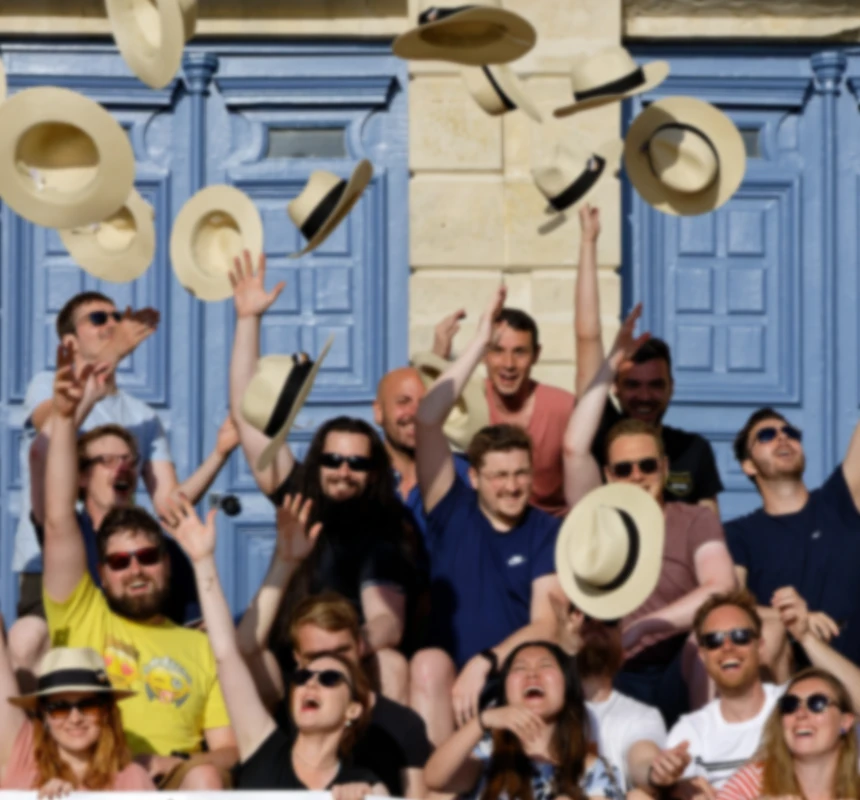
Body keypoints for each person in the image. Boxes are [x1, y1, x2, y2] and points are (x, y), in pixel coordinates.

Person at [40, 349, 238, 789]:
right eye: (119, 561)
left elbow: (230, 747)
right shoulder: (82, 613)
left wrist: (179, 761)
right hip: (93, 774)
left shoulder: (198, 646)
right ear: (101, 570)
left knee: (206, 778)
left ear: (167, 563)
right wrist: (66, 416)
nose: (135, 569)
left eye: (148, 557)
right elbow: (57, 518)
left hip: (172, 778)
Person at [228, 252, 418, 701]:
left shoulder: (386, 528)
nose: (343, 471)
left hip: (351, 662)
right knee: (239, 656)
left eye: (356, 463)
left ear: (375, 472)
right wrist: (247, 321)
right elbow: (249, 417)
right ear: (318, 461)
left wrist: (341, 651)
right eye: (332, 460)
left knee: (392, 663)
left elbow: (387, 618)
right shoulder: (298, 495)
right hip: (285, 660)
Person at [411, 285, 564, 747]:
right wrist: (478, 344)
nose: (512, 486)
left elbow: (546, 623)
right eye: (498, 476)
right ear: (473, 478)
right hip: (444, 690)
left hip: (512, 683)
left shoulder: (546, 529)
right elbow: (426, 418)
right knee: (426, 665)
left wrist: (487, 661)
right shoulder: (450, 508)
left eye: (520, 474)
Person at [563, 323, 736, 725]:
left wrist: (642, 627)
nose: (637, 475)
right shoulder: (597, 516)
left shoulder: (693, 520)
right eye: (624, 468)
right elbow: (573, 447)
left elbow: (721, 585)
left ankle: (710, 759)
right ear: (607, 475)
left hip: (678, 664)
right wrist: (609, 365)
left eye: (647, 465)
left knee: (705, 639)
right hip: (614, 669)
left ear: (665, 466)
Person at [162, 494, 387, 797]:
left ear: (353, 709)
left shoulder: (363, 782)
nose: (311, 685)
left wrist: (372, 796)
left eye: (330, 679)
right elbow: (228, 655)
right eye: (303, 677)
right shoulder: (261, 746)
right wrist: (203, 562)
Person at [236, 500, 431, 798]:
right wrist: (283, 562)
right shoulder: (287, 701)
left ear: (360, 646)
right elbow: (245, 650)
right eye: (315, 659)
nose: (325, 670)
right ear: (297, 660)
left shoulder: (401, 724)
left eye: (340, 654)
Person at [14, 293, 166, 618]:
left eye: (115, 316)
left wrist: (222, 452)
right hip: (50, 560)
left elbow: (168, 502)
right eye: (98, 319)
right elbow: (51, 433)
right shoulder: (46, 386)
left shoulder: (142, 414)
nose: (112, 324)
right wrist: (114, 351)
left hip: (120, 565)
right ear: (70, 340)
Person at [574, 205, 723, 512]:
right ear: (614, 386)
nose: (644, 396)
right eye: (632, 384)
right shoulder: (600, 432)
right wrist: (589, 242)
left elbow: (711, 530)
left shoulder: (693, 450)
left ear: (671, 387)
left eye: (656, 384)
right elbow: (587, 337)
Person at [650, 587, 860, 795]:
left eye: (740, 636)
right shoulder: (690, 732)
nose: (727, 647)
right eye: (714, 641)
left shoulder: (794, 703)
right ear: (703, 656)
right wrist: (673, 783)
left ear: (760, 646)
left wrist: (806, 638)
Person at [726, 406, 860, 665]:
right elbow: (731, 608)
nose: (782, 437)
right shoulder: (738, 534)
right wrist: (794, 618)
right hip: (797, 692)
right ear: (748, 466)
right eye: (765, 435)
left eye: (790, 432)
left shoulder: (838, 501)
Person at [424, 641, 624, 800]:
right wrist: (482, 720)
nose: (532, 674)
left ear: (567, 686)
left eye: (545, 666)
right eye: (519, 668)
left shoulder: (594, 771)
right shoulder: (488, 756)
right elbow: (434, 778)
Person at [431, 302, 575, 518]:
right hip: (484, 530)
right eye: (497, 351)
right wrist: (438, 355)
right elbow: (423, 422)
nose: (508, 364)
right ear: (482, 354)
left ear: (536, 354)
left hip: (550, 535)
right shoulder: (467, 402)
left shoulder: (564, 407)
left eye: (519, 352)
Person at [0, 639, 155, 794]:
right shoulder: (25, 784)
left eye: (88, 705)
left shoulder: (133, 779)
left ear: (106, 711)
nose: (75, 719)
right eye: (59, 708)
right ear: (44, 716)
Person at [554, 602, 667, 792]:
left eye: (609, 619)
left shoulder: (642, 715)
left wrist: (658, 772)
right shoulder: (544, 706)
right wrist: (563, 653)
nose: (597, 624)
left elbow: (643, 760)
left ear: (623, 644)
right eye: (586, 617)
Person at [717, 668, 859, 800]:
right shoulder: (753, 781)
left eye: (817, 703)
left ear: (845, 721)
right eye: (790, 704)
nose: (801, 713)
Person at [373, 365, 470, 538]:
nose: (416, 412)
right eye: (403, 401)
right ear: (379, 412)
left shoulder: (465, 475)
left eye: (427, 402)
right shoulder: (359, 476)